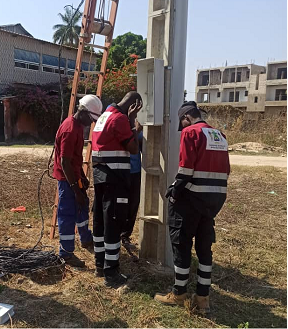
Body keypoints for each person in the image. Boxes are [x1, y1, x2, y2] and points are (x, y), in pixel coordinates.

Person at [154, 101, 230, 314]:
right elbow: (226, 170)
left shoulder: (190, 133)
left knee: (181, 244)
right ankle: (203, 298)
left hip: (192, 199)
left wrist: (174, 192)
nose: (183, 126)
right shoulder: (220, 136)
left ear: (187, 117)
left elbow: (186, 169)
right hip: (214, 201)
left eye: (183, 122)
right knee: (205, 248)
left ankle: (179, 294)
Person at [91, 91, 143, 287]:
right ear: (134, 105)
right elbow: (133, 149)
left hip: (100, 174)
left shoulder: (105, 115)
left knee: (100, 220)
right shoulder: (120, 119)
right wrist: (132, 124)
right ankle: (111, 273)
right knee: (113, 220)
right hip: (115, 177)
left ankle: (99, 264)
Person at [53, 95, 103, 267]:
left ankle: (85, 238)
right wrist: (75, 189)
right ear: (83, 112)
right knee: (67, 215)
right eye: (90, 118)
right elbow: (65, 162)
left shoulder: (78, 127)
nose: (91, 122)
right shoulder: (69, 129)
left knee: (82, 206)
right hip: (67, 181)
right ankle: (66, 253)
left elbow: (74, 158)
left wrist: (81, 177)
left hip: (74, 177)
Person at [121, 123, 143, 247]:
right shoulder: (121, 128)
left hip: (135, 172)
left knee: (133, 204)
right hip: (122, 172)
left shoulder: (139, 133)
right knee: (121, 204)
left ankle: (125, 235)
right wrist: (135, 130)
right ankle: (116, 232)